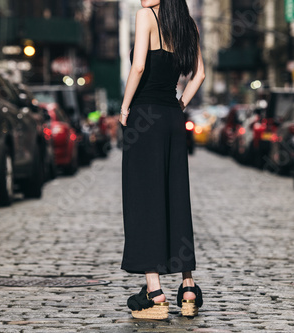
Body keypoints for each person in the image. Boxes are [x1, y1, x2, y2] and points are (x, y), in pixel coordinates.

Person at [119, 0, 205, 320]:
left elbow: (138, 66)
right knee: (176, 198)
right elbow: (199, 74)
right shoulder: (187, 25)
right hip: (172, 116)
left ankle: (155, 293)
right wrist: (180, 103)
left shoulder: (146, 16)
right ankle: (188, 288)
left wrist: (126, 107)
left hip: (145, 117)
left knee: (144, 200)